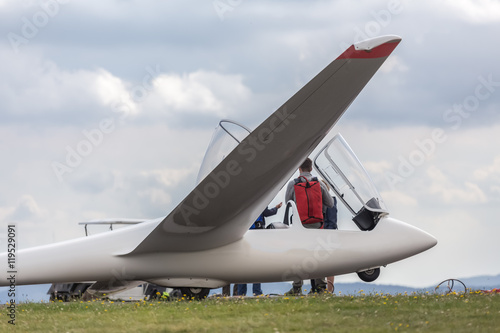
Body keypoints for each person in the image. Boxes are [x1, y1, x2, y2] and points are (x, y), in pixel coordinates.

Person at [284, 158, 334, 295]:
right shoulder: (319, 184)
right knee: (316, 256)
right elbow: (330, 204)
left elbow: (288, 202)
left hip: (300, 225)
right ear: (311, 168)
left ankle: (296, 288)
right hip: (317, 225)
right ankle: (321, 288)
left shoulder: (292, 184)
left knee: (298, 256)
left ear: (299, 168)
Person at [236, 203, 283, 296]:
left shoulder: (245, 203)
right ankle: (257, 292)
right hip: (257, 235)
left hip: (245, 235)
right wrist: (276, 208)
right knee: (256, 265)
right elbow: (267, 212)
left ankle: (241, 293)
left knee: (243, 266)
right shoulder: (260, 202)